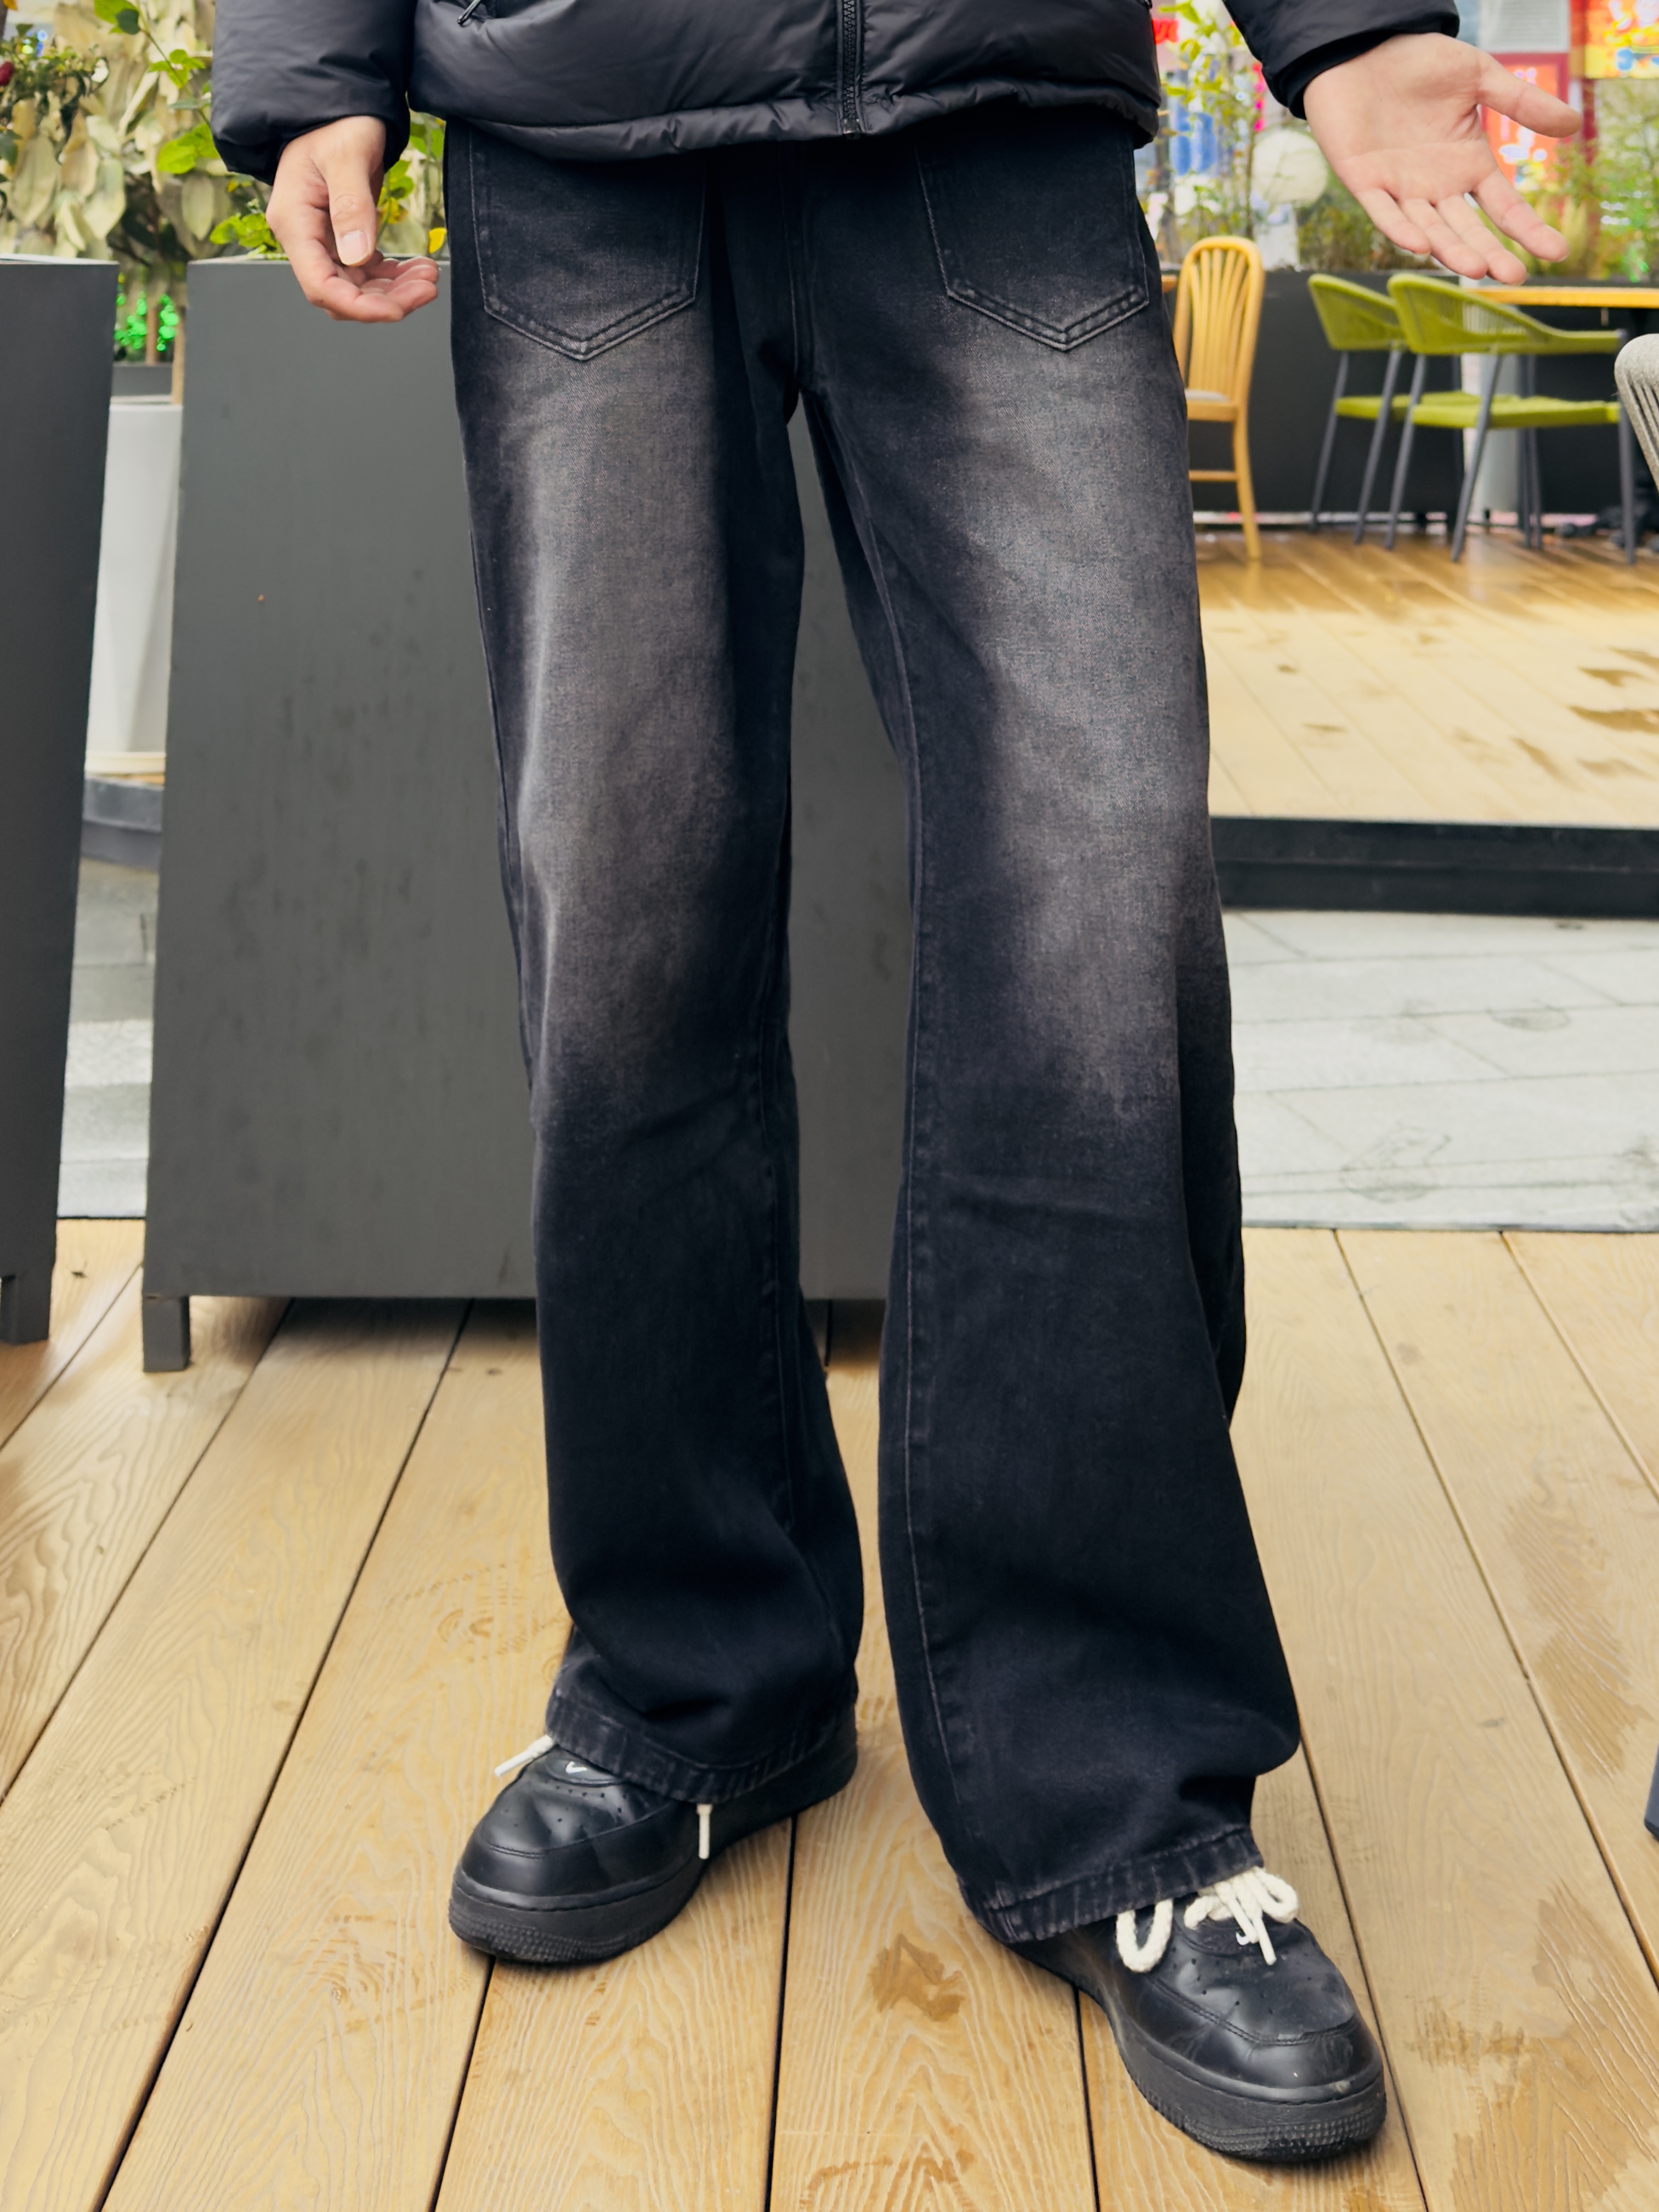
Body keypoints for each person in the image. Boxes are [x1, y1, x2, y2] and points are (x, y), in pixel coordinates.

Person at [213, 0, 1575, 2164]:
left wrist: (1351, 29)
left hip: (986, 116)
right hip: (576, 146)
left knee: (1094, 911)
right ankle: (694, 1684)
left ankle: (1116, 1781)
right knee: (621, 913)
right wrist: (307, 69)